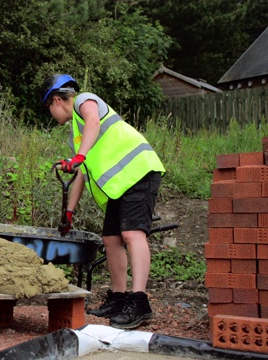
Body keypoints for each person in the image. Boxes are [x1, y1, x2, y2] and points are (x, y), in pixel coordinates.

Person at [40, 74, 165, 329]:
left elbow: (94, 122)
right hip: (118, 188)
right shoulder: (76, 133)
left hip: (139, 171)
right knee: (110, 239)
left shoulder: (84, 101)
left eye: (49, 110)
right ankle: (119, 299)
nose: (52, 116)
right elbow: (81, 176)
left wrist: (79, 156)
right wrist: (70, 213)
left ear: (55, 100)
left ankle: (140, 301)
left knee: (132, 233)